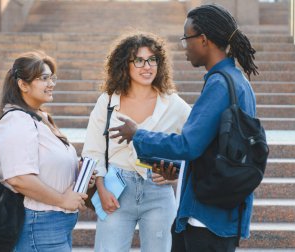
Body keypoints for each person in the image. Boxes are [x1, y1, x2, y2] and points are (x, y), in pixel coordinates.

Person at [109, 4, 259, 252]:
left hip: (206, 218)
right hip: (220, 209)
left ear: (203, 40)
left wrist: (139, 135)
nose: (184, 47)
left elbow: (188, 145)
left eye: (186, 39)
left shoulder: (220, 85)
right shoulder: (236, 80)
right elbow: (215, 150)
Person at [82, 32, 191, 252]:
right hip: (115, 189)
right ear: (125, 64)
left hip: (158, 192)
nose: (147, 66)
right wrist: (101, 189)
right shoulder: (108, 101)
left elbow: (193, 144)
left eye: (152, 60)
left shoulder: (172, 103)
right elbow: (93, 150)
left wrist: (174, 172)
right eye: (139, 60)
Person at [0, 51, 94, 252]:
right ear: (23, 84)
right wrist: (63, 199)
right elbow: (19, 178)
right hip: (40, 224)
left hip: (56, 223)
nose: (51, 84)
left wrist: (79, 175)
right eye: (43, 79)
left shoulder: (39, 118)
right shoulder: (17, 121)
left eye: (52, 78)